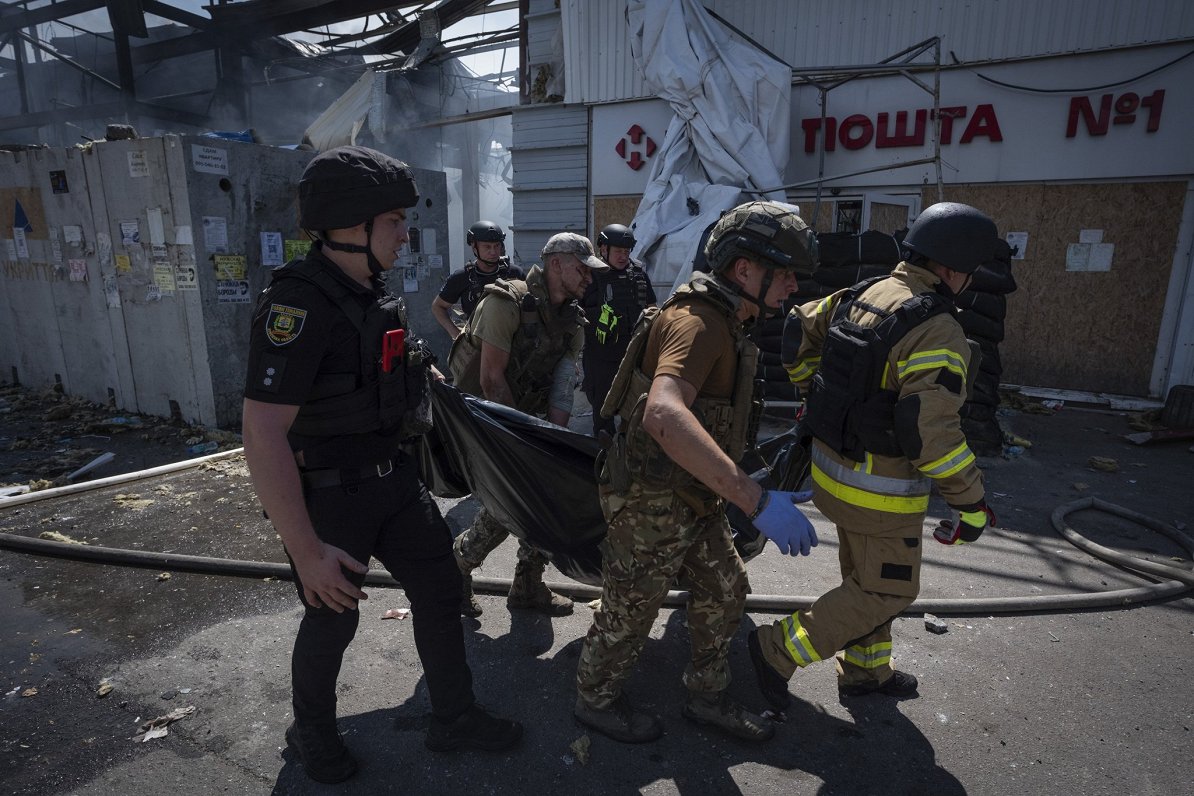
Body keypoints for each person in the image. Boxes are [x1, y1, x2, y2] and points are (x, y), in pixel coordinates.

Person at [241, 145, 522, 784]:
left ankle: (453, 717)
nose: (405, 232)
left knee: (442, 588)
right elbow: (262, 435)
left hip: (395, 481)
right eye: (394, 219)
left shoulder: (373, 292)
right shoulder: (299, 305)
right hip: (331, 498)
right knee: (332, 617)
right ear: (351, 226)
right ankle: (312, 732)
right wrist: (305, 550)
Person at [573, 201, 820, 744]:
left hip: (691, 494)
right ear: (743, 270)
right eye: (783, 273)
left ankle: (706, 696)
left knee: (726, 586)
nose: (793, 287)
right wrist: (754, 500)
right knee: (631, 609)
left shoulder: (728, 320)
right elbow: (663, 414)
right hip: (650, 501)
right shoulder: (700, 322)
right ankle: (595, 699)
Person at [748, 201, 1000, 710]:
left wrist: (812, 396)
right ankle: (775, 650)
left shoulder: (865, 291)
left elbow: (797, 332)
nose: (971, 281)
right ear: (951, 268)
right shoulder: (938, 328)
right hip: (881, 493)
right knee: (887, 591)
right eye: (970, 271)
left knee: (864, 578)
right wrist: (970, 503)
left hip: (832, 473)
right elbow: (933, 434)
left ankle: (865, 672)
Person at [448, 232, 609, 618]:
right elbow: (490, 379)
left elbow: (562, 387)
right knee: (510, 504)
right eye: (582, 269)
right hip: (488, 421)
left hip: (528, 422)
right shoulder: (506, 302)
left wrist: (553, 444)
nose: (589, 278)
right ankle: (457, 566)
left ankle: (526, 585)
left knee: (545, 497)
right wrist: (520, 445)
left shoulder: (573, 319)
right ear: (556, 263)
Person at [579, 223, 657, 438]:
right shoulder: (590, 275)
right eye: (618, 251)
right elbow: (575, 310)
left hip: (633, 355)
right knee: (603, 415)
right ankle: (603, 461)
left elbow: (651, 306)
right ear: (604, 250)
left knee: (633, 411)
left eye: (626, 251)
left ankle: (626, 456)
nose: (623, 256)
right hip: (601, 357)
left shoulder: (639, 274)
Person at [431, 220, 524, 340]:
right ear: (474, 248)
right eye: (487, 247)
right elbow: (438, 307)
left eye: (497, 246)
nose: (493, 252)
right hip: (477, 343)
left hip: (512, 340)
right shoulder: (463, 277)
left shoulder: (515, 273)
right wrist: (456, 334)